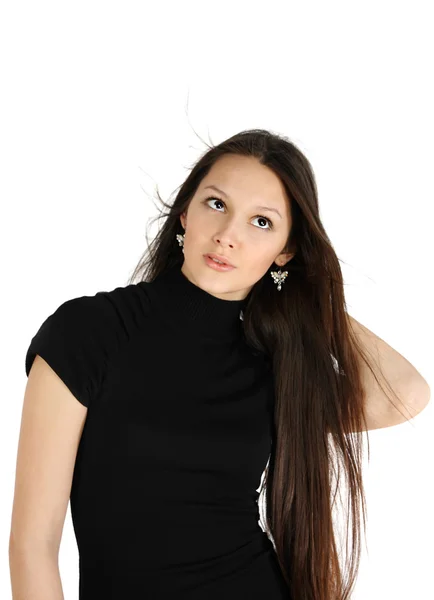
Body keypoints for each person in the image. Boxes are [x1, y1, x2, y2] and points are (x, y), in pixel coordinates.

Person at [9, 130, 430, 599]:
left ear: (285, 253)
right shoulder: (88, 333)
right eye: (216, 204)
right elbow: (33, 545)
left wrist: (316, 297)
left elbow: (405, 393)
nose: (228, 235)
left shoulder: (273, 369)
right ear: (185, 212)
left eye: (262, 223)